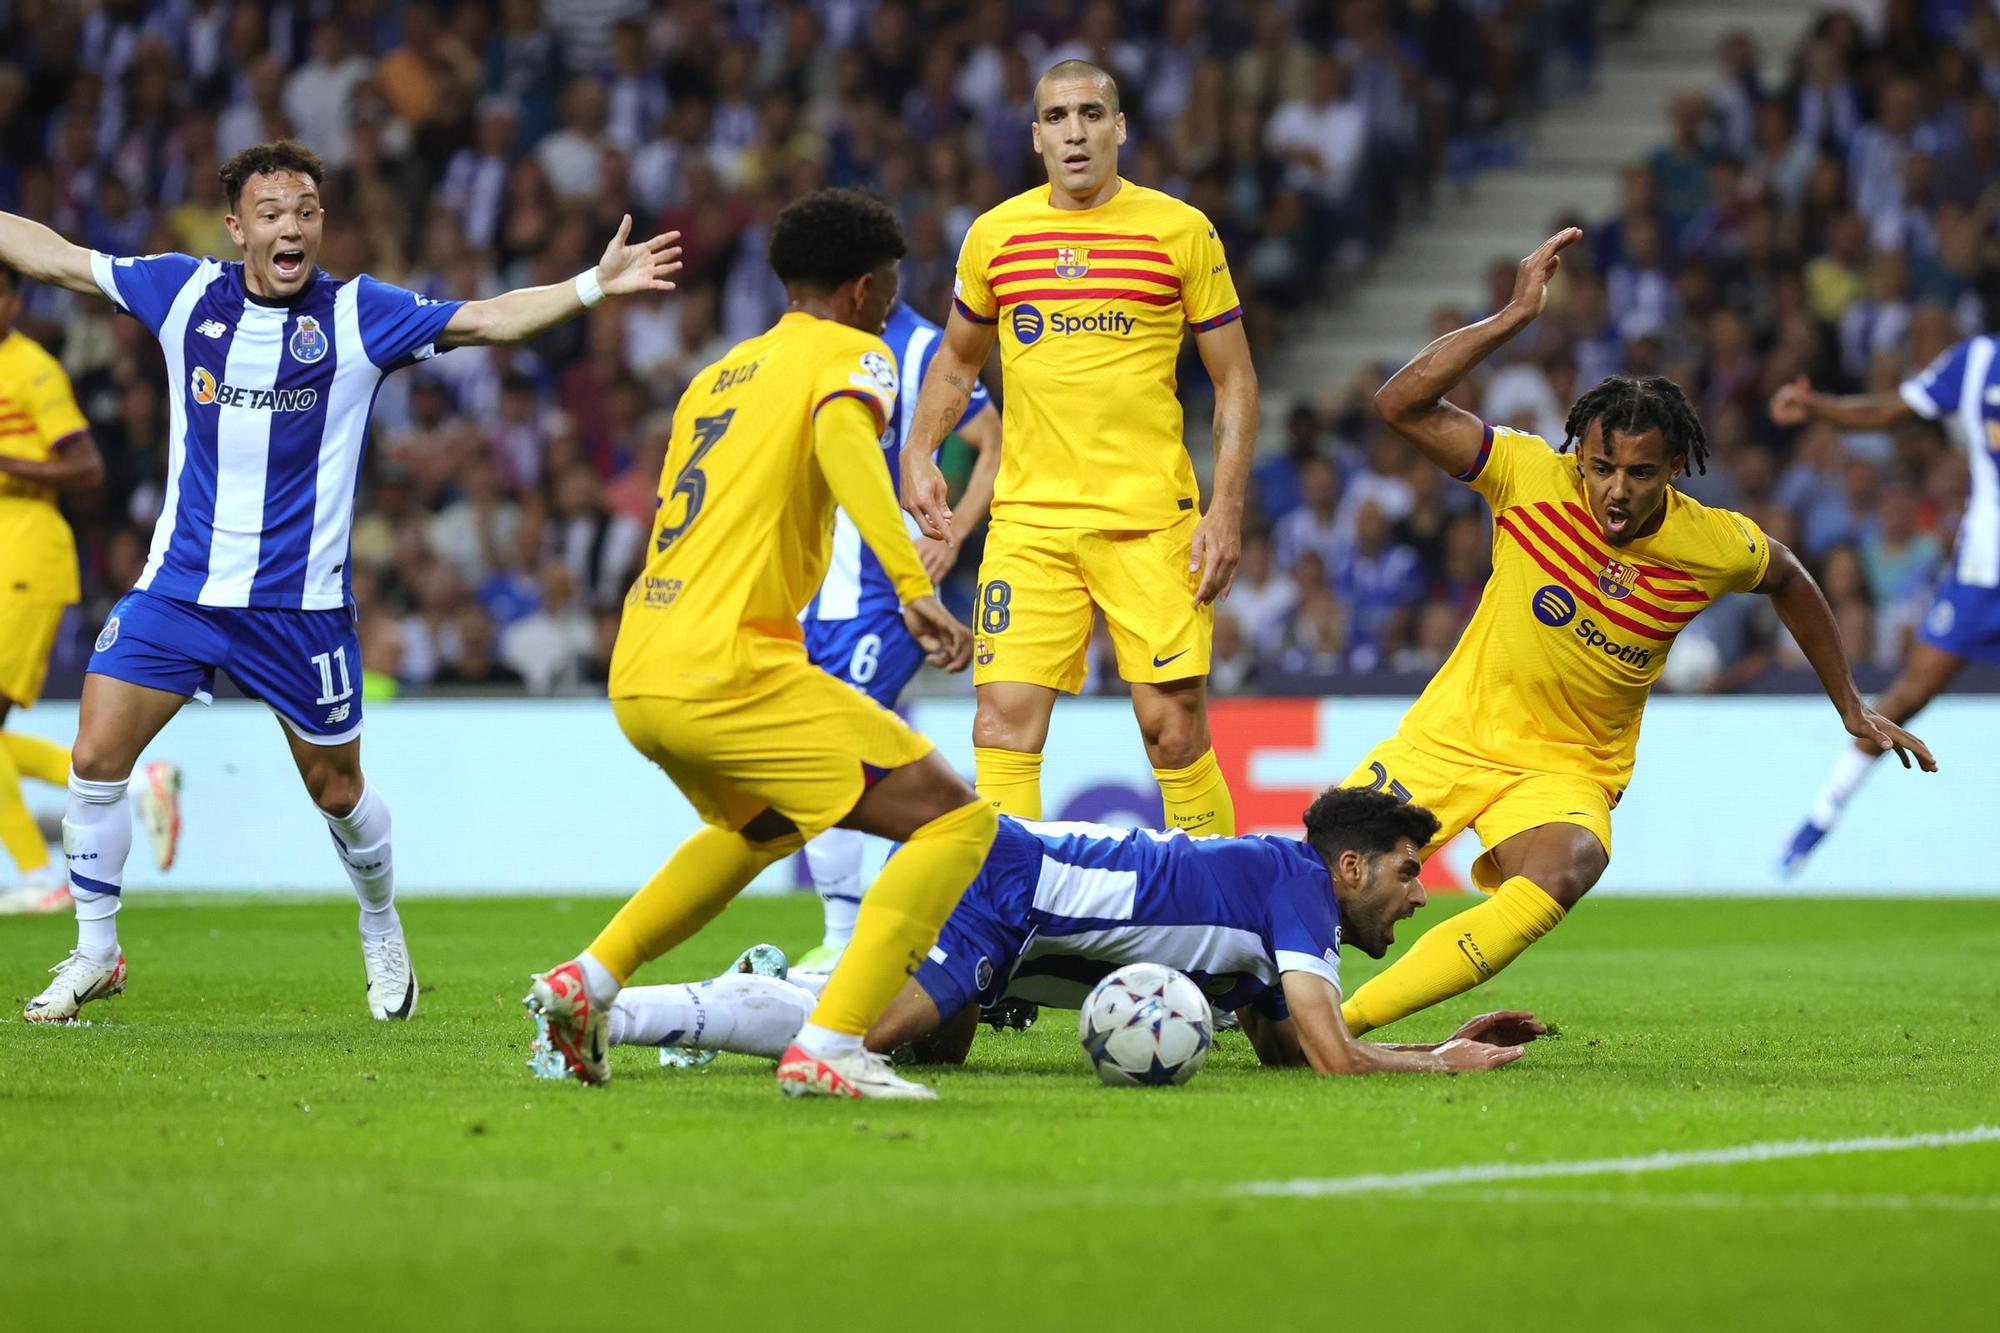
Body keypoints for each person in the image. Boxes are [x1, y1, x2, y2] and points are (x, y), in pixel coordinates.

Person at [0, 138, 681, 1021]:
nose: (292, 228)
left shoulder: (361, 315)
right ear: (237, 226)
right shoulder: (183, 292)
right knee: (94, 760)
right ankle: (95, 950)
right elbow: (54, 256)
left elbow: (490, 318)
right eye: (273, 213)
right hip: (180, 588)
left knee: (339, 793)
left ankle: (379, 918)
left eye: (307, 212)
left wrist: (592, 284)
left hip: (301, 609)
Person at [1332, 229, 1933, 1038]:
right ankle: (1248, 998)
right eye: (1602, 467)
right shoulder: (1526, 473)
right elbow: (1398, 403)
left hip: (1572, 763)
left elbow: (1789, 575)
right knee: (1332, 875)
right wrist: (1514, 315)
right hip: (1452, 736)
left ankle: (1343, 1024)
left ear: (1676, 467)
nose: (1616, 491)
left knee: (1569, 864)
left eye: (1641, 473)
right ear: (1579, 454)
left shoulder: (1713, 542)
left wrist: (1850, 704)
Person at [523, 189, 999, 1102]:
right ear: (865, 289)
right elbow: (844, 446)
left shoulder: (718, 375)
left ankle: (586, 984)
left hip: (644, 663)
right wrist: (912, 584)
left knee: (759, 825)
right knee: (955, 817)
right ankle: (832, 1041)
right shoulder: (854, 353)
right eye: (890, 290)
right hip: (734, 664)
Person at [901, 60, 1260, 837]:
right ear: (1035, 137)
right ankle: (1013, 931)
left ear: (1120, 127)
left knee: (1173, 732)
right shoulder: (996, 236)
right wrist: (920, 449)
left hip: (1150, 522)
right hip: (1031, 523)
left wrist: (1226, 509)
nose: (1075, 132)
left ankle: (1221, 931)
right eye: (1057, 118)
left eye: (1092, 115)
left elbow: (1234, 381)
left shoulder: (1180, 231)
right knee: (999, 726)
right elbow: (958, 361)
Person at [592, 788, 1539, 1075]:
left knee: (926, 1054)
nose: (1420, 895)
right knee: (846, 1042)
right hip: (1017, 883)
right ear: (1351, 867)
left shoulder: (1281, 908)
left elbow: (1293, 1051)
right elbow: (1336, 1061)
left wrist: (1435, 1039)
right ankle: (617, 1016)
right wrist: (1447, 1066)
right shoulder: (1298, 888)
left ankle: (731, 994)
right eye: (1411, 872)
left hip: (1020, 900)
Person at [795, 295, 1001, 973]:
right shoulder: (817, 344)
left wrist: (954, 533)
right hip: (812, 590)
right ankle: (863, 923)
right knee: (827, 749)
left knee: (832, 744)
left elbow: (993, 441)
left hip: (888, 594)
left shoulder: (922, 351)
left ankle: (848, 934)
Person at [1768, 336, 1995, 873]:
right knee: (1911, 691)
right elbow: (1889, 409)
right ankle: (1824, 811)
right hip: (1986, 572)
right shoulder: (1979, 361)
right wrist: (1818, 405)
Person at [0, 260, 108, 915]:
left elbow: (87, 464)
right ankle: (134, 781)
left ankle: (41, 874)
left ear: (13, 301)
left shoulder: (32, 367)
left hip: (29, 556)